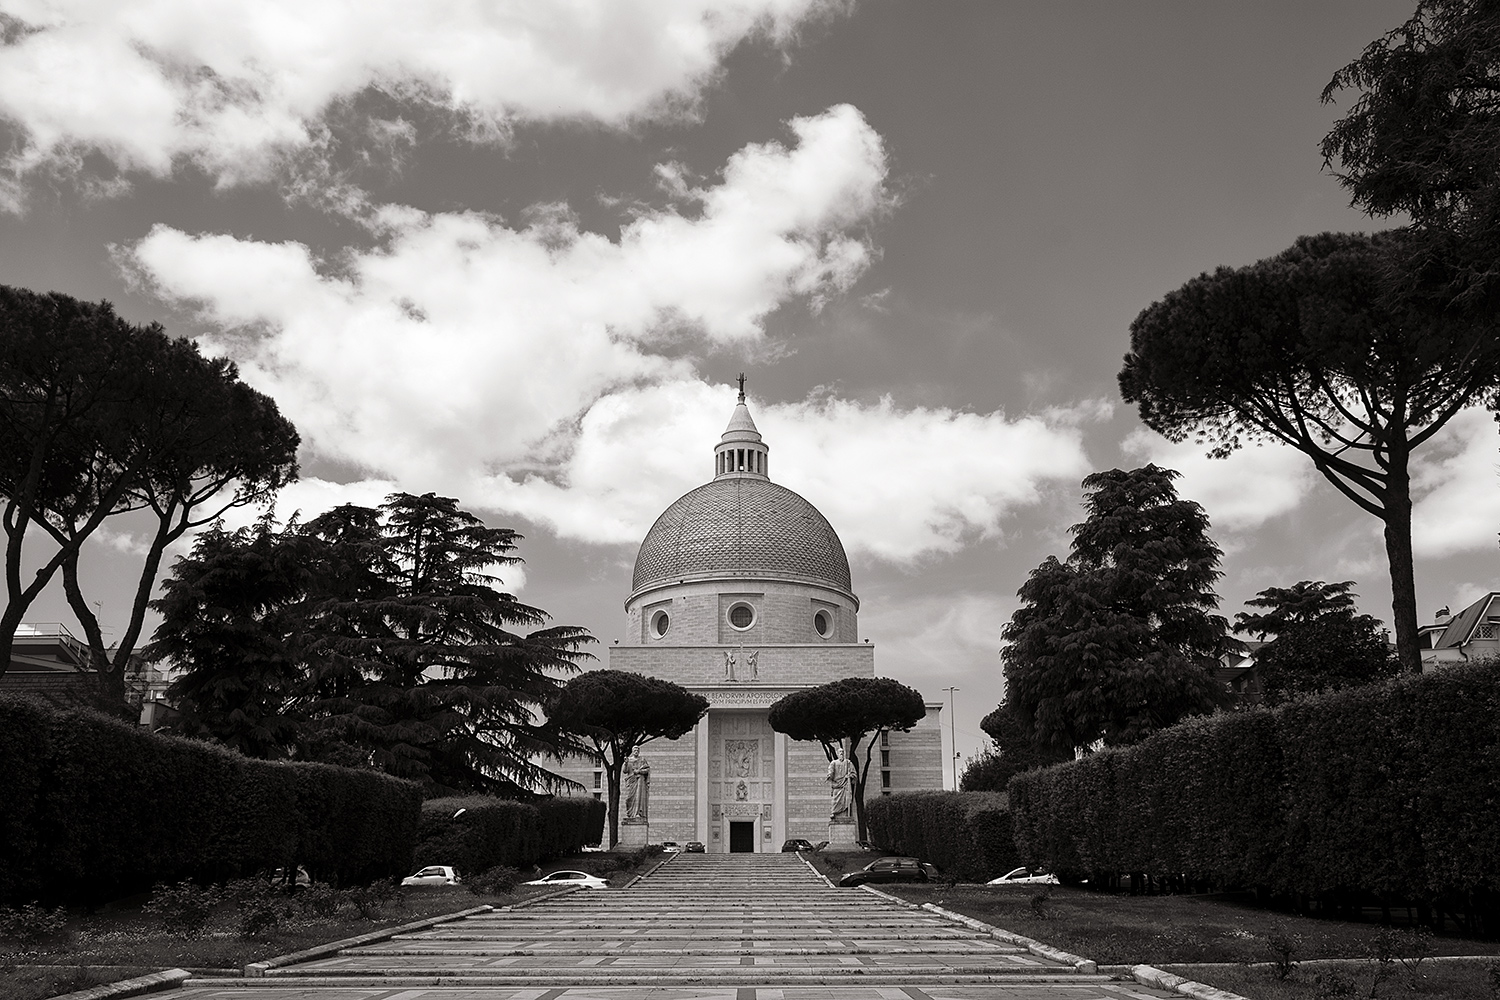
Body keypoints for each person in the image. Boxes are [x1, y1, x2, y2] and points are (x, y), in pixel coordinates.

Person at [826, 745, 855, 821]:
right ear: (837, 753)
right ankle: (834, 812)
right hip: (837, 785)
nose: (841, 753)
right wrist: (830, 775)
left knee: (846, 801)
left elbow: (853, 773)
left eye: (842, 752)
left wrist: (850, 776)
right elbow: (831, 771)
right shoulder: (833, 763)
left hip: (845, 786)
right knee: (835, 801)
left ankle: (846, 814)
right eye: (840, 752)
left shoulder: (848, 762)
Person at [623, 750, 650, 820]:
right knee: (629, 799)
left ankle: (638, 813)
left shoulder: (642, 760)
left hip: (640, 781)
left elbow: (647, 770)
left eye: (637, 750)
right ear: (632, 751)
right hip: (631, 781)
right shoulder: (629, 760)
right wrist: (626, 763)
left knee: (639, 797)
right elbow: (625, 771)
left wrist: (639, 771)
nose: (636, 751)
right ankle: (630, 814)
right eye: (635, 750)